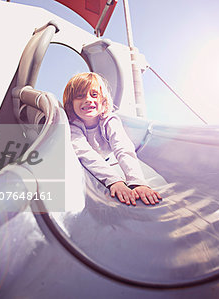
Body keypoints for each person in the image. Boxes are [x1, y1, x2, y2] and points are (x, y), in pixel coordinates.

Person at [63, 72, 162, 206]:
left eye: (94, 94)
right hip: (85, 167)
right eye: (80, 96)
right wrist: (114, 181)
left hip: (108, 159)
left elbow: (123, 147)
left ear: (103, 101)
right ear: (71, 104)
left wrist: (137, 182)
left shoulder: (109, 121)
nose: (87, 99)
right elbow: (86, 154)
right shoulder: (73, 128)